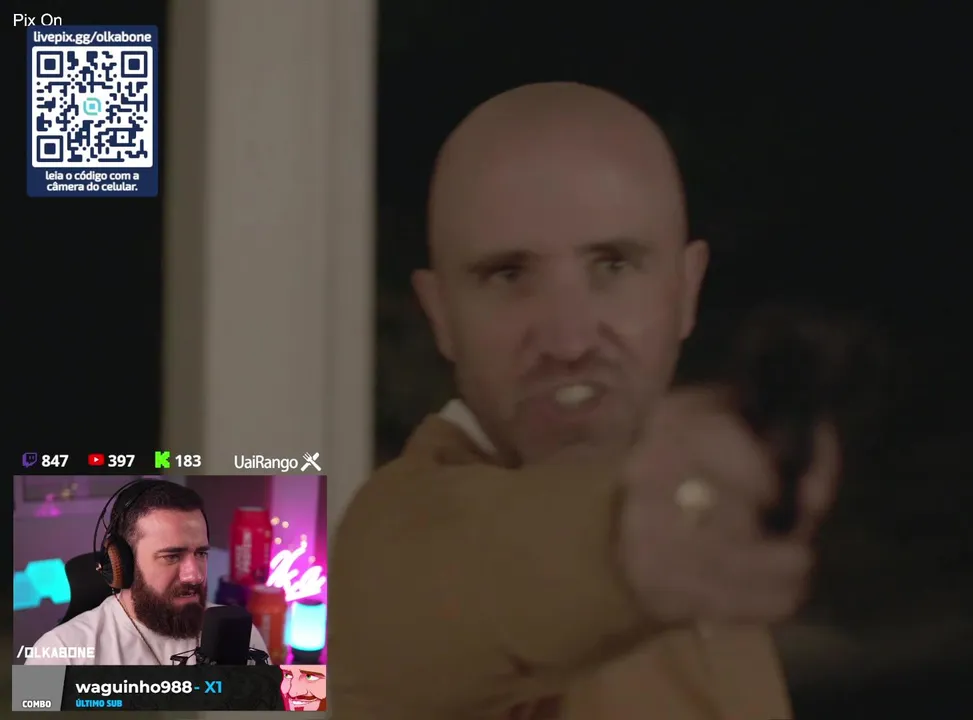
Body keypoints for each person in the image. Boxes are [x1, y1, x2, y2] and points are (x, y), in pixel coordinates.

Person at [331, 82, 840, 719]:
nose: (568, 341)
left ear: (686, 290)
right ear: (441, 315)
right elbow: (425, 592)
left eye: (614, 265)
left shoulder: (707, 517)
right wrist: (621, 537)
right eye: (508, 275)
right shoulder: (388, 542)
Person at [24, 481, 270, 665]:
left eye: (201, 553)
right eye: (172, 556)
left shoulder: (242, 636)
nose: (195, 576)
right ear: (122, 563)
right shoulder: (59, 652)